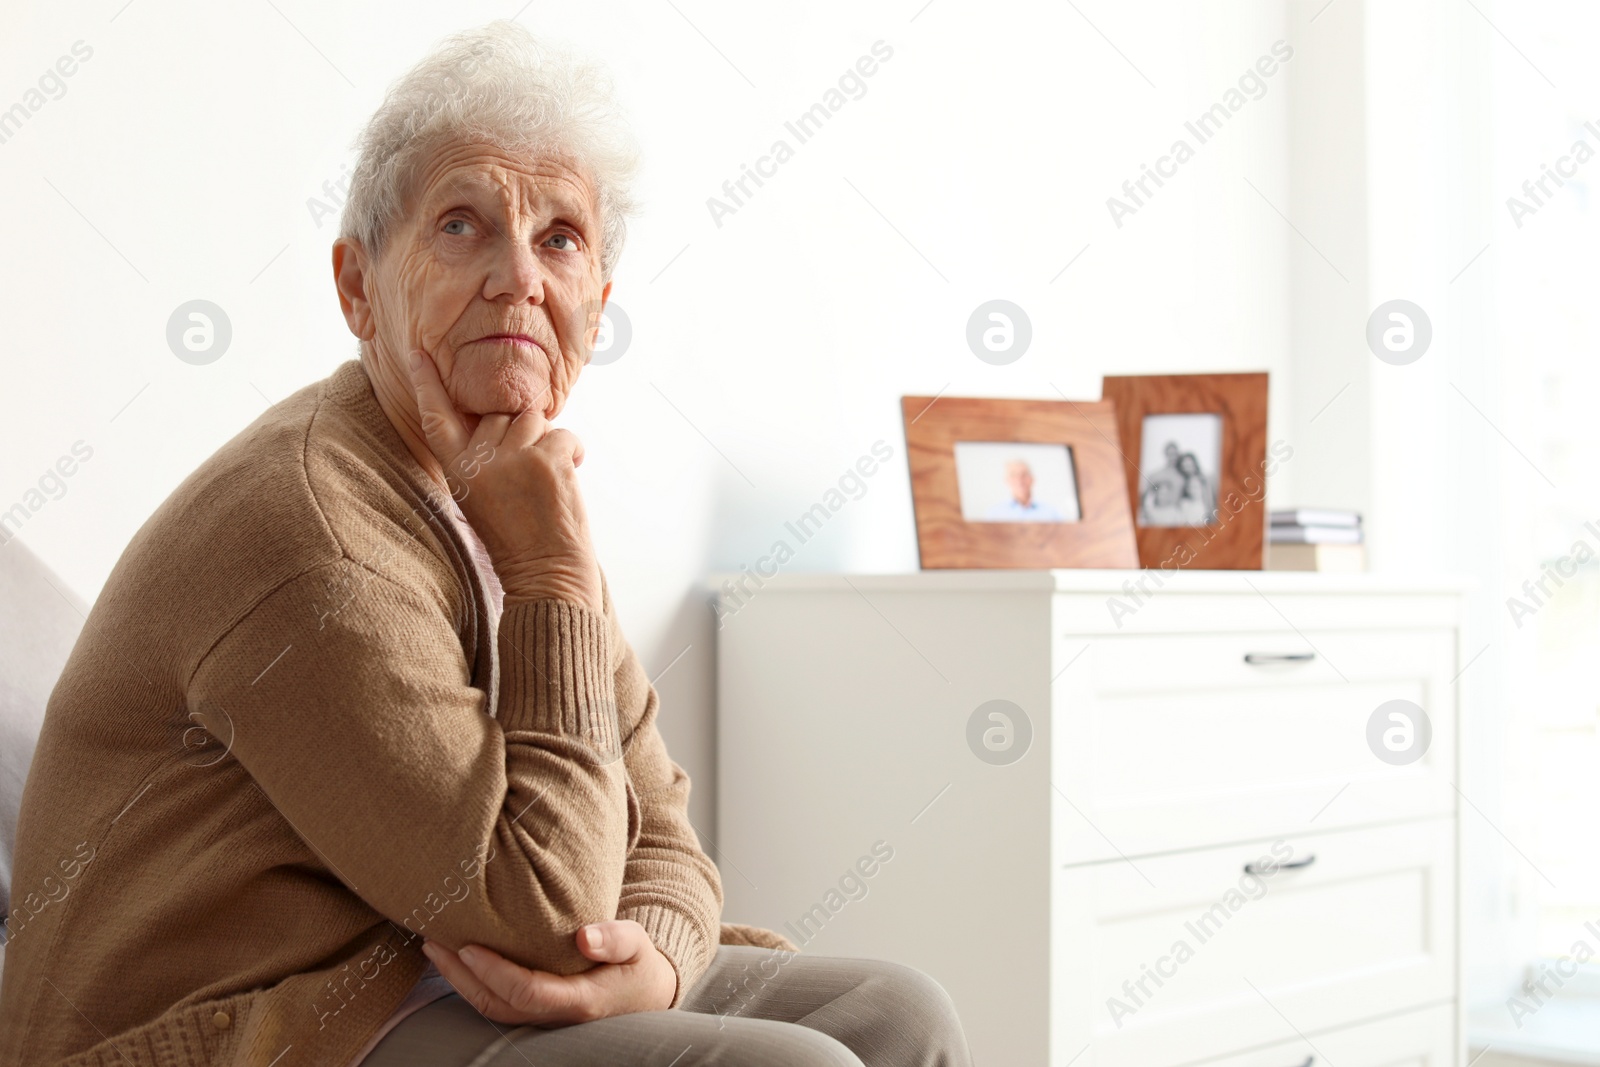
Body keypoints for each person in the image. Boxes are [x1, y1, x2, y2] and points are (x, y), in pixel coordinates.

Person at [0, 22, 971, 1067]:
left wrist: (660, 964)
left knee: (893, 1009)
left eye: (559, 237)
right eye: (462, 224)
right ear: (357, 287)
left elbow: (664, 827)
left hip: (410, 958)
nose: (519, 277)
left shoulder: (510, 484)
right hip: (245, 1020)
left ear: (595, 309)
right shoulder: (314, 532)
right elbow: (542, 910)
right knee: (797, 1064)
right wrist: (551, 574)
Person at [984, 458, 1064, 521]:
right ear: (1006, 480)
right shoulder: (995, 514)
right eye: (1013, 475)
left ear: (1032, 479)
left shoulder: (1051, 513)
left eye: (1024, 474)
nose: (1019, 480)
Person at [1175, 452, 1217, 525]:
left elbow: (1209, 501)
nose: (1188, 468)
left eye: (1189, 465)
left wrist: (1210, 517)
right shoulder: (1183, 481)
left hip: (1204, 513)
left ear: (1194, 464)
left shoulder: (1203, 479)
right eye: (1184, 466)